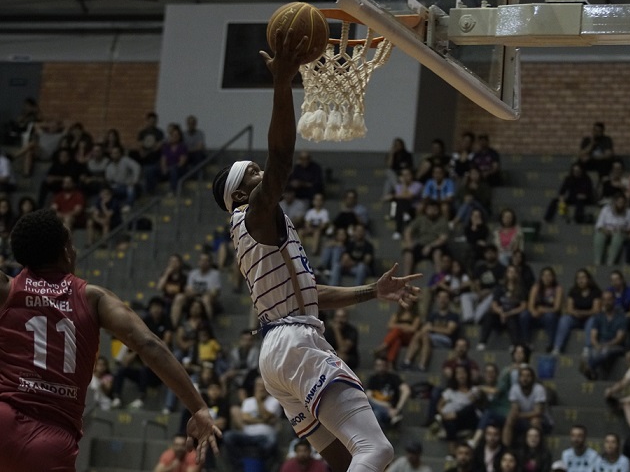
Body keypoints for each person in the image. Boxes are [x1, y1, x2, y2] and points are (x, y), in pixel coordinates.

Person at [210, 30, 421, 472]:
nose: (261, 171)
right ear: (241, 193)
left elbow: (310, 292)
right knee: (377, 451)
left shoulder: (254, 232)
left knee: (347, 462)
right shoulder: (255, 213)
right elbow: (283, 157)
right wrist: (283, 83)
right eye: (252, 172)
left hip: (276, 353)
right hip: (295, 344)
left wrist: (372, 291)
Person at [0, 209, 220, 470]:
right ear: (66, 251)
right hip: (51, 440)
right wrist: (198, 408)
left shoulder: (8, 289)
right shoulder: (95, 298)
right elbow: (148, 344)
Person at [553, 269, 602, 355]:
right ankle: (557, 347)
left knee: (593, 321)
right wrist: (575, 313)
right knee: (564, 319)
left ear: (588, 279)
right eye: (578, 278)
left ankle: (587, 348)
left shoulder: (595, 292)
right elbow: (569, 309)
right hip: (576, 318)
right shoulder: (573, 291)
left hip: (589, 317)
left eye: (583, 277)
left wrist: (583, 313)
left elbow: (596, 310)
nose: (581, 280)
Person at [581, 290, 627, 380]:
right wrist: (597, 345)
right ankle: (592, 373)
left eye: (609, 299)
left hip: (616, 346)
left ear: (614, 300)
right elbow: (593, 336)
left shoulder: (621, 317)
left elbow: (619, 338)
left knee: (605, 351)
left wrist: (605, 345)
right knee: (589, 353)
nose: (607, 302)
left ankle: (589, 367)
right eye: (604, 300)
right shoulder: (599, 316)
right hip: (601, 345)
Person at [502, 365, 552, 447]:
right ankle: (505, 449)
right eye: (522, 376)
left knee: (535, 420)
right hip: (522, 420)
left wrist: (519, 415)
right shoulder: (515, 389)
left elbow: (538, 412)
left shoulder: (539, 389)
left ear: (532, 378)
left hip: (543, 421)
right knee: (509, 418)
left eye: (528, 376)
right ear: (519, 378)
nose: (525, 379)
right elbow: (515, 410)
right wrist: (516, 415)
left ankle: (539, 449)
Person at [522, 266, 562, 353]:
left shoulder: (557, 289)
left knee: (549, 316)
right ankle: (526, 343)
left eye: (549, 275)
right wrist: (533, 311)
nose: (546, 278)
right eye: (544, 275)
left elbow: (557, 308)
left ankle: (551, 344)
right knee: (524, 315)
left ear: (553, 277)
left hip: (550, 315)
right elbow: (530, 305)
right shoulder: (536, 287)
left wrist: (542, 310)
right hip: (536, 315)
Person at [365, 356, 411, 429]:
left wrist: (398, 409)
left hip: (392, 411)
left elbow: (406, 391)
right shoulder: (373, 379)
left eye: (382, 365)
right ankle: (391, 415)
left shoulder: (393, 378)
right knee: (372, 408)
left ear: (387, 366)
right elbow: (368, 397)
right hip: (383, 409)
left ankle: (392, 415)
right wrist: (384, 405)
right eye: (378, 365)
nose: (380, 368)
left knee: (375, 414)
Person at [593, 192, 630, 266]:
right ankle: (598, 262)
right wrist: (604, 230)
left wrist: (623, 229)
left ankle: (610, 263)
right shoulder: (606, 209)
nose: (620, 205)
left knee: (617, 237)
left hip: (621, 232)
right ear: (614, 202)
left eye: (622, 203)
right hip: (607, 231)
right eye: (619, 202)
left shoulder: (629, 212)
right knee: (599, 236)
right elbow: (599, 225)